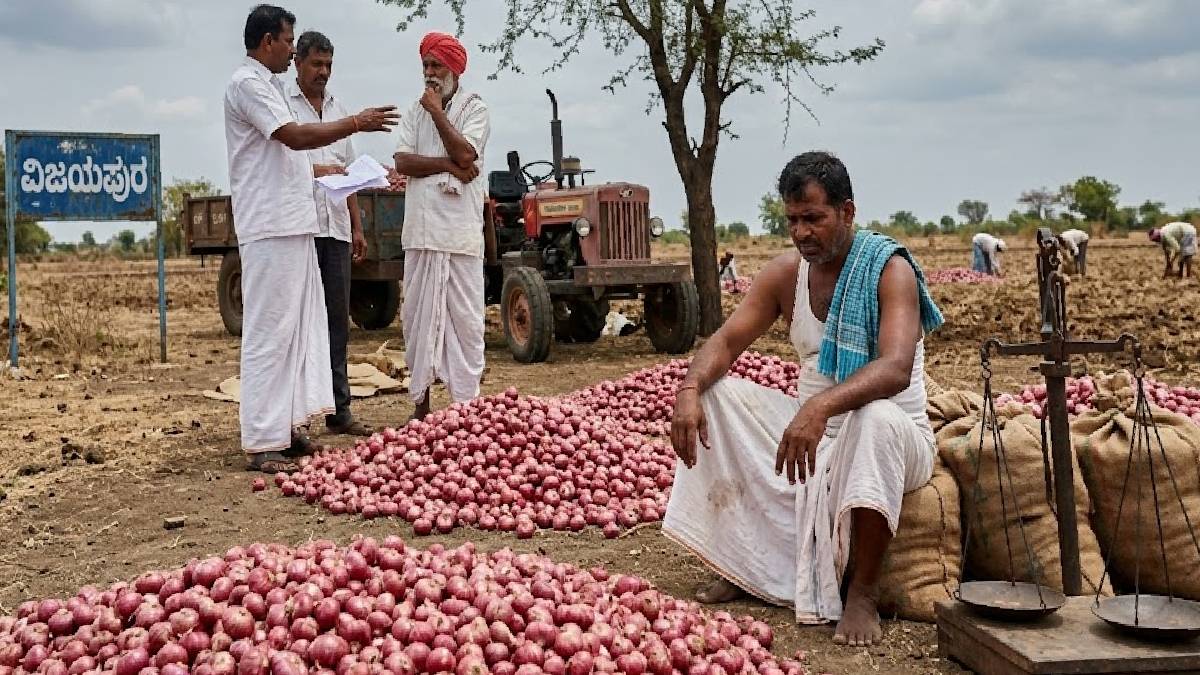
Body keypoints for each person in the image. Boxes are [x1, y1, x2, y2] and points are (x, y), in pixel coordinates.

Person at [665, 151, 942, 647]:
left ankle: (861, 593)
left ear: (847, 212)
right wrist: (689, 389)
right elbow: (725, 343)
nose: (801, 231)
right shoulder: (785, 275)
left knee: (874, 419)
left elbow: (896, 368)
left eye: (814, 218)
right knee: (720, 395)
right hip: (817, 429)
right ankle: (742, 561)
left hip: (895, 434)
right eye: (793, 220)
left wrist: (819, 407)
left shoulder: (888, 270)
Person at [224, 4, 396, 472]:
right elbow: (294, 137)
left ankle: (288, 427)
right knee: (270, 332)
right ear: (267, 42)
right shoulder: (247, 83)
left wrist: (349, 171)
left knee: (300, 330)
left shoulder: (270, 85)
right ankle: (261, 441)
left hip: (295, 220)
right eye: (288, 41)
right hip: (270, 224)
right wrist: (355, 123)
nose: (291, 49)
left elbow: (291, 157)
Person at [393, 32, 490, 421]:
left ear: (455, 69)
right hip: (421, 232)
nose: (430, 74)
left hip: (461, 236)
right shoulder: (413, 111)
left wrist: (437, 112)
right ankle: (420, 406)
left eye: (437, 66)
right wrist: (448, 167)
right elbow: (403, 162)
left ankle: (465, 410)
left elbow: (468, 153)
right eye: (426, 66)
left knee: (466, 324)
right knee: (417, 321)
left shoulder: (475, 108)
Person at [286, 30, 372, 437]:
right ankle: (298, 414)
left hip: (335, 231)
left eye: (328, 66)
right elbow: (281, 169)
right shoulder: (283, 106)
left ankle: (340, 409)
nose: (323, 72)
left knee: (338, 320)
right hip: (300, 229)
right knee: (303, 322)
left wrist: (357, 226)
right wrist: (316, 173)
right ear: (298, 62)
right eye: (316, 64)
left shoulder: (339, 108)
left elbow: (349, 175)